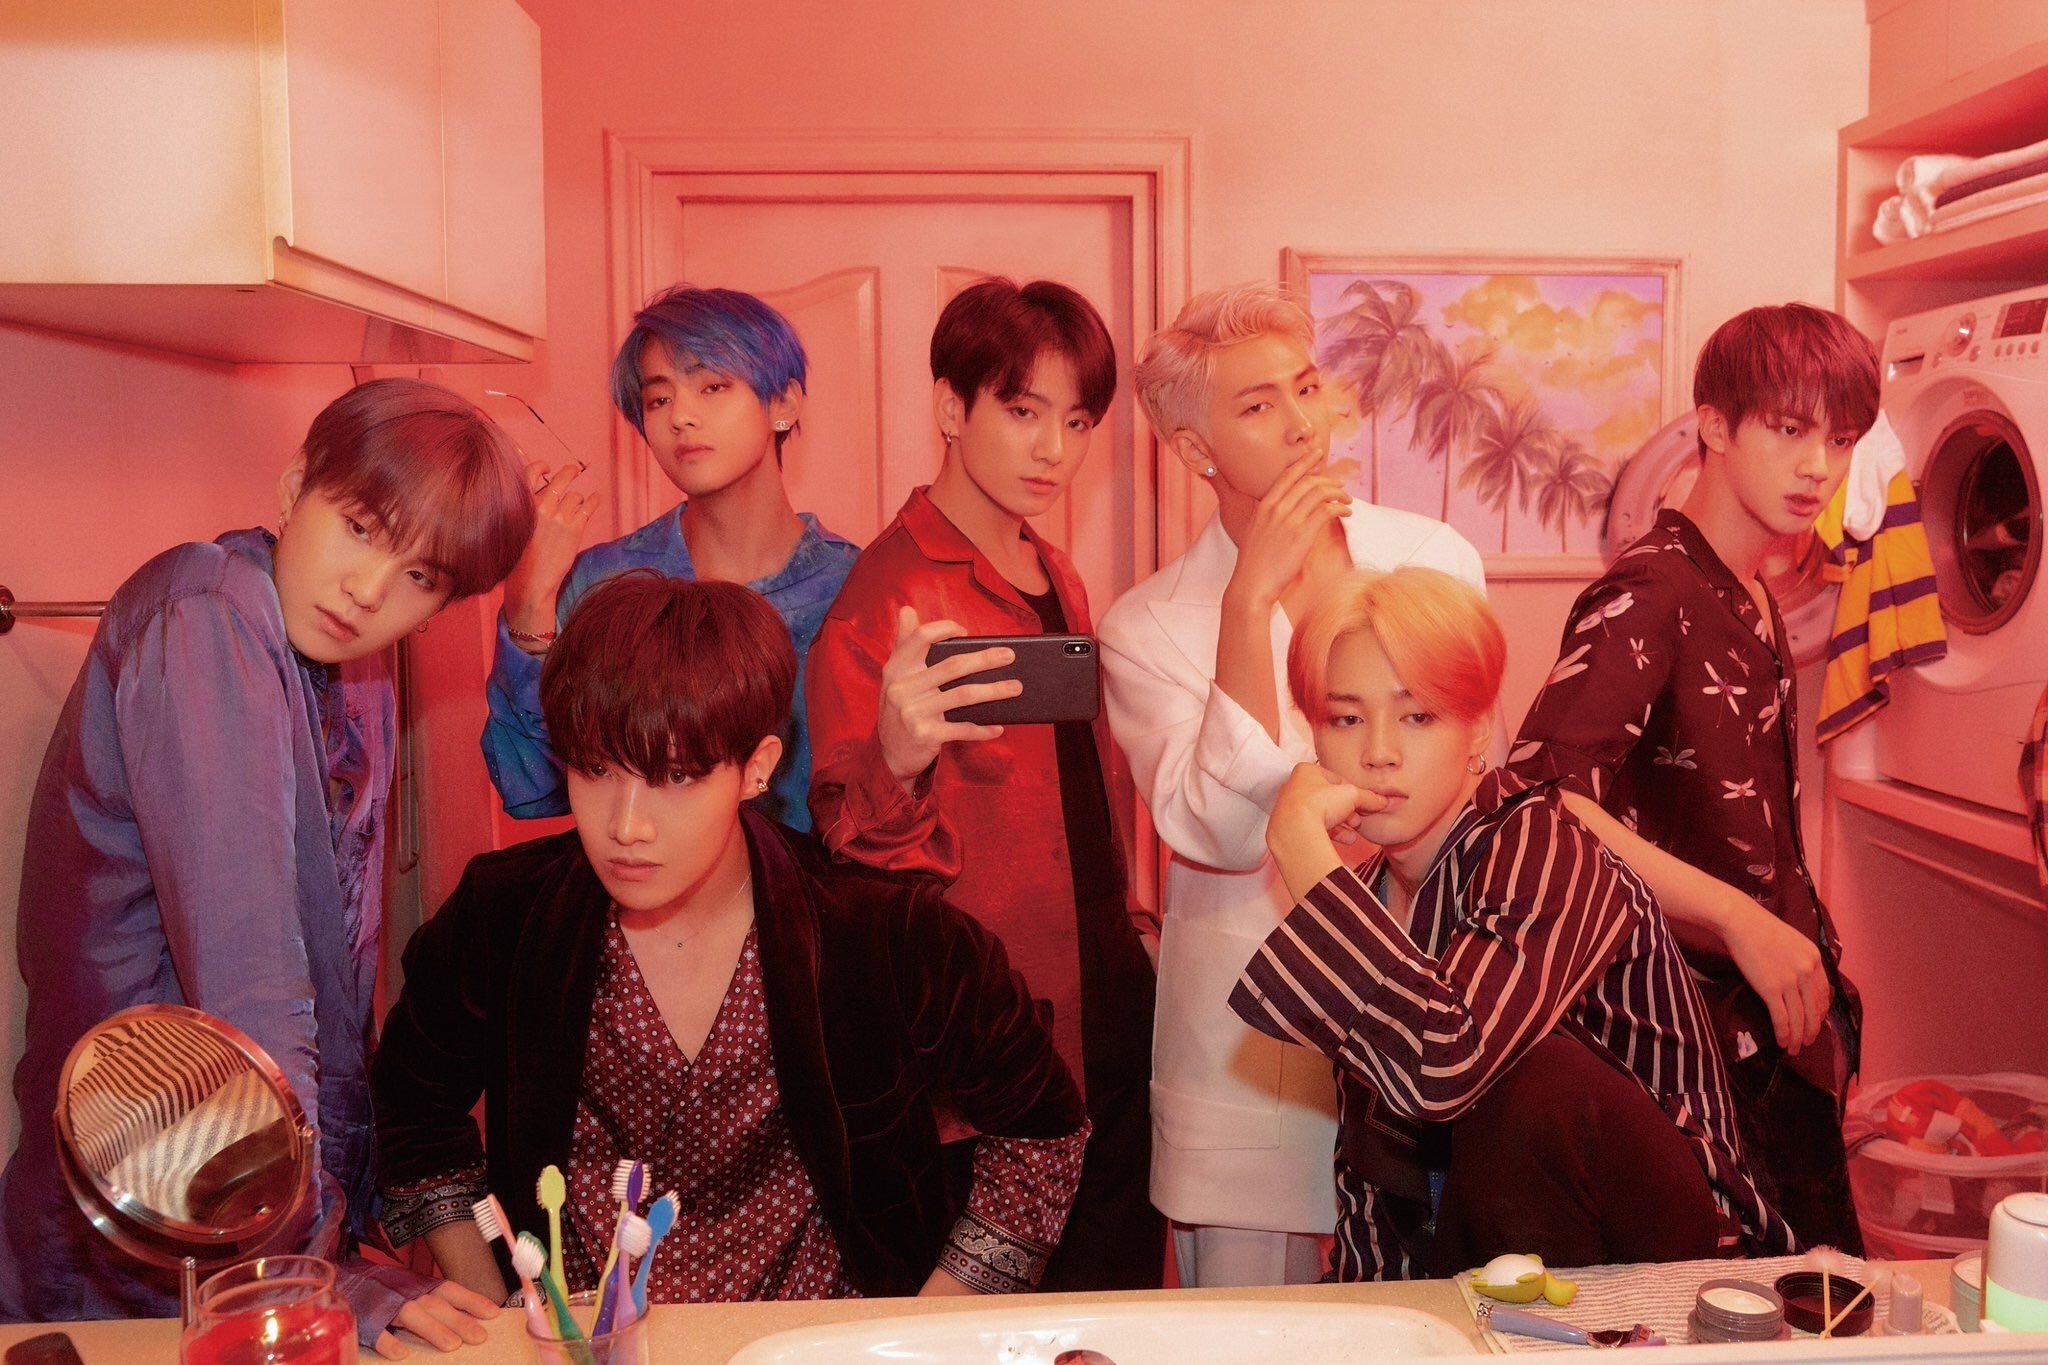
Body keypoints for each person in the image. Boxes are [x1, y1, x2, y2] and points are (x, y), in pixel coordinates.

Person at [0, 379, 535, 1355]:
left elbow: (335, 986)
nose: (368, 589)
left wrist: (346, 1237)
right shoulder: (207, 616)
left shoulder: (344, 666)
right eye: (361, 528)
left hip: (241, 1221)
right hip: (147, 1231)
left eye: (419, 576)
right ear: (295, 487)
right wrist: (326, 1276)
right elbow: (251, 982)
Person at [375, 573, 1087, 1302]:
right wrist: (492, 1310)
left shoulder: (875, 930)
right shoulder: (506, 913)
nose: (627, 825)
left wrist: (922, 1331)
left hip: (819, 1340)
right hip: (582, 1338)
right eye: (596, 769)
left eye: (676, 776)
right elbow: (412, 1106)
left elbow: (1044, 1129)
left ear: (757, 768)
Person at [1228, 567, 1791, 1278]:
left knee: (1527, 1081)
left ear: (1475, 728)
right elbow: (1372, 1174)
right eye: (1347, 718)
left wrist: (1304, 852)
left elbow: (1445, 1064)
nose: (1378, 752)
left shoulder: (1541, 843)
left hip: (1678, 1255)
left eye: (1418, 716)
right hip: (1499, 1251)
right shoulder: (1367, 899)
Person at [1096, 284, 1484, 1287]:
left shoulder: (1432, 559)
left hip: (1424, 1020)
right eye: (1259, 405)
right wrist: (1246, 604)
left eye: (1306, 388)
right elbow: (1222, 833)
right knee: (1245, 1341)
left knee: (1431, 1325)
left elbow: (1467, 772)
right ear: (1195, 449)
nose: (1304, 423)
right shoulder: (1145, 626)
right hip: (1246, 1055)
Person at [805, 278, 1163, 1289]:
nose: (1054, 449)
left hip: (1104, 989)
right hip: (988, 1030)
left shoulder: (1056, 570)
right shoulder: (889, 592)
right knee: (995, 1320)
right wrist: (892, 759)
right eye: (1022, 411)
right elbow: (848, 852)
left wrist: (1131, 921)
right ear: (950, 409)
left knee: (1113, 1307)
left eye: (1077, 421)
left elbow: (1084, 783)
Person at [1504, 303, 1878, 1251]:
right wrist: (1741, 919)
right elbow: (1542, 795)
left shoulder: (1747, 583)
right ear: (1714, 424)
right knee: (1742, 1306)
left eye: (1840, 440)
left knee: (1820, 1304)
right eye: (1789, 430)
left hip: (1761, 1030)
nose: (1818, 466)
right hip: (1687, 1043)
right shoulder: (1653, 588)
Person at [482, 285, 858, 830]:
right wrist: (528, 607)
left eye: (712, 387)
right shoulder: (603, 582)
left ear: (783, 403)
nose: (681, 416)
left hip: (812, 883)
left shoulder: (855, 586)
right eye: (659, 399)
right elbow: (530, 789)